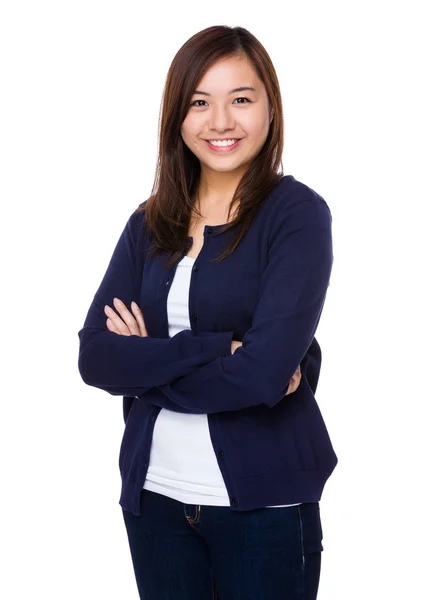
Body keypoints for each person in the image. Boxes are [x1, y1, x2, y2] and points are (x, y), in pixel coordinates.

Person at [77, 24, 338, 600]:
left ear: (270, 107)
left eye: (240, 99)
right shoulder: (149, 222)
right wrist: (216, 348)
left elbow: (264, 373)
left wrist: (145, 366)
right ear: (178, 116)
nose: (220, 121)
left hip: (265, 508)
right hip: (155, 500)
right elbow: (95, 357)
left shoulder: (296, 216)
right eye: (200, 102)